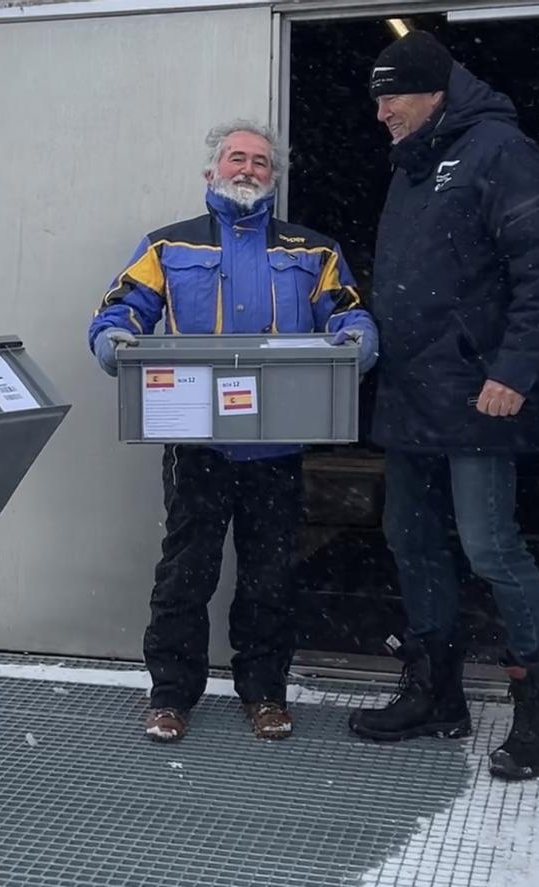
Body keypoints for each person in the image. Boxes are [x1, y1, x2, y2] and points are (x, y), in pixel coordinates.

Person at [87, 121, 378, 743]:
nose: (248, 169)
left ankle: (265, 692)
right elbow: (120, 309)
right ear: (211, 172)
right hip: (198, 445)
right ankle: (170, 695)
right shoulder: (168, 247)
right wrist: (113, 340)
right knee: (186, 572)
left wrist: (359, 339)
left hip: (278, 446)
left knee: (270, 573)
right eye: (236, 158)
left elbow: (349, 312)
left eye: (261, 162)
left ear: (274, 177)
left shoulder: (312, 251)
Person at [348, 31, 539, 781]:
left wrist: (514, 368)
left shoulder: (499, 151)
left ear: (434, 93)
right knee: (408, 535)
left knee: (489, 545)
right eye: (378, 98)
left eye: (392, 96)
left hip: (480, 390)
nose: (381, 112)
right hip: (412, 392)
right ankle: (436, 692)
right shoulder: (413, 165)